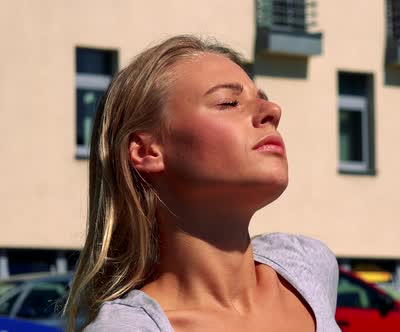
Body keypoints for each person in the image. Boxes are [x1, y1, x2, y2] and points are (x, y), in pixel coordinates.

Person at [63, 35, 340, 332]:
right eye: (229, 102)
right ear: (147, 151)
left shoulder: (307, 267)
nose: (272, 110)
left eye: (261, 97)